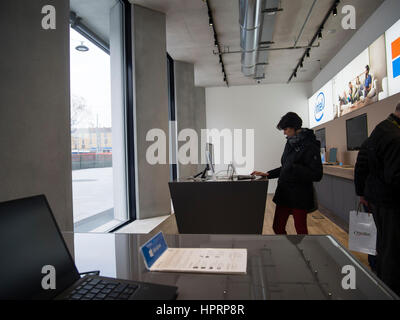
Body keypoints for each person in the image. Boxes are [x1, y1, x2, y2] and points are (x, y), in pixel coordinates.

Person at [354, 102, 400, 296]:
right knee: (392, 250)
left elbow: (361, 164)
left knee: (381, 245)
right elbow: (396, 176)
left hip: (376, 199)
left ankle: (380, 282)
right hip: (391, 203)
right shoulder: (395, 136)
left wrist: (362, 193)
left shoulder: (379, 130)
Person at [252, 112, 323, 235]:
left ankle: (303, 254)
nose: (284, 132)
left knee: (301, 232)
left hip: (300, 196)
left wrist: (295, 168)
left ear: (294, 127)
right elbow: (285, 167)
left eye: (285, 129)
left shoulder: (310, 146)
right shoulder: (289, 143)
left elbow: (317, 174)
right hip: (284, 194)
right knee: (277, 227)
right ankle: (288, 252)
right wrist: (267, 174)